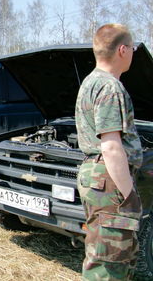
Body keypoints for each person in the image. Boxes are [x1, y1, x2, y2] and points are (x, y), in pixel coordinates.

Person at [75, 23, 143, 280]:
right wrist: (129, 197)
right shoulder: (110, 87)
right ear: (123, 50)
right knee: (109, 262)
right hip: (109, 179)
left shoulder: (90, 82)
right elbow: (112, 146)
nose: (134, 53)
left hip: (97, 176)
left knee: (108, 252)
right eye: (133, 48)